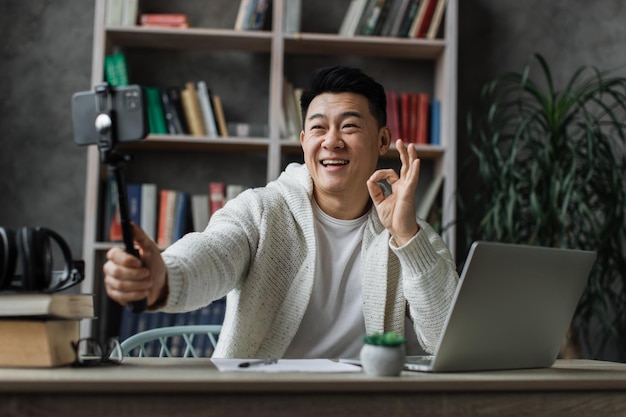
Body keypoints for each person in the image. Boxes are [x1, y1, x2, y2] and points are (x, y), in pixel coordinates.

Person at [103, 66, 459, 359]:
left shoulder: (410, 233)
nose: (331, 141)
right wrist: (164, 275)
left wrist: (408, 238)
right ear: (304, 141)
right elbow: (213, 252)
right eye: (318, 128)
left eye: (349, 126)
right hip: (265, 400)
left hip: (366, 403)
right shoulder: (262, 208)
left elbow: (446, 340)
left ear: (383, 140)